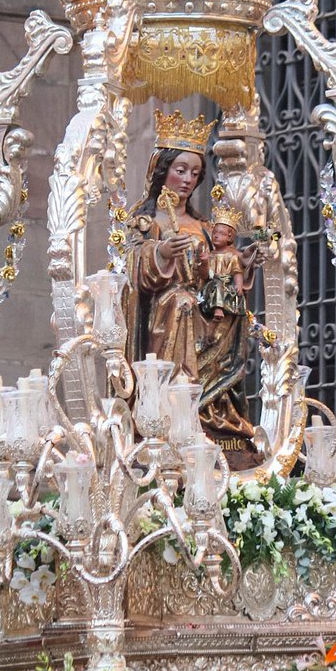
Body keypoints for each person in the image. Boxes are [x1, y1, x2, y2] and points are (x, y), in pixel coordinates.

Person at [124, 110, 264, 469]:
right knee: (182, 301)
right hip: (166, 310)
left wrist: (244, 262)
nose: (187, 179)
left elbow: (220, 265)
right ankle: (177, 404)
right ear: (162, 170)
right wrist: (160, 253)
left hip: (206, 306)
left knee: (224, 308)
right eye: (180, 170)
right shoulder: (146, 221)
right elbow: (131, 269)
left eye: (195, 173)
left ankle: (214, 411)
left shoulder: (204, 226)